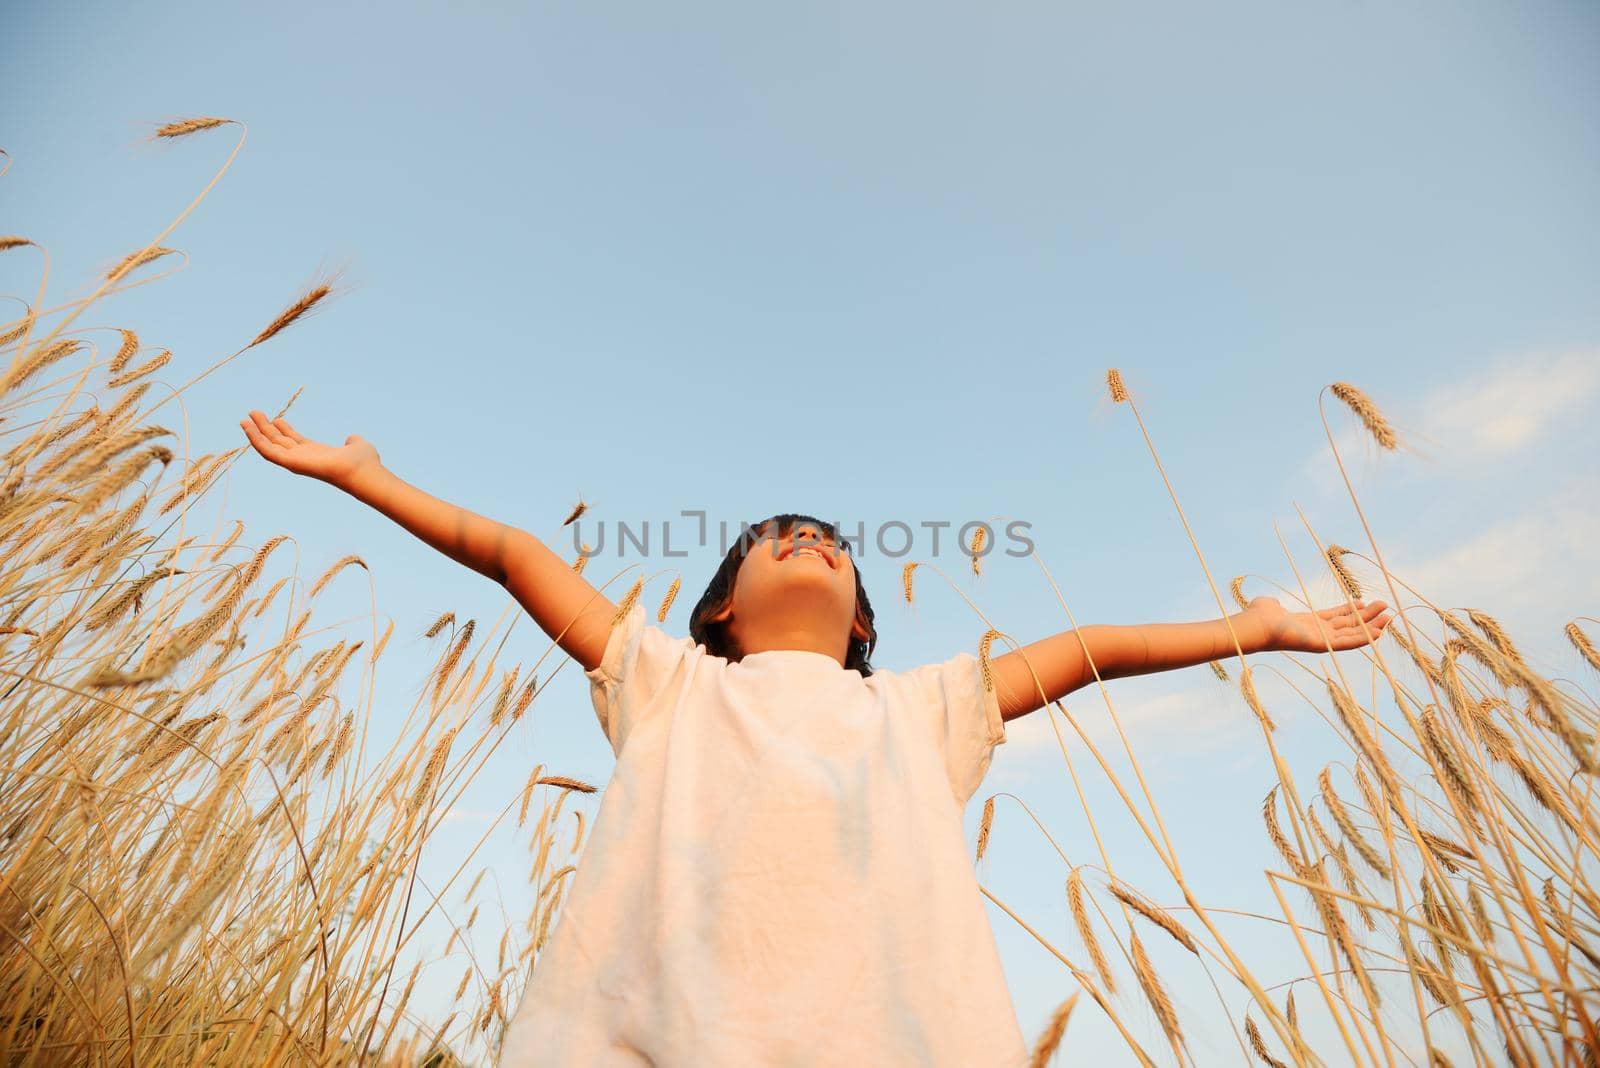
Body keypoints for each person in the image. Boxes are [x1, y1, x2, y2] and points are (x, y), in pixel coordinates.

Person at [238, 410, 1394, 1066]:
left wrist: (1254, 627)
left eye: (830, 542)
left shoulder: (922, 710)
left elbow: (1095, 647)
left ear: (863, 627)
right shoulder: (667, 684)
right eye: (775, 537)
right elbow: (513, 555)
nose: (808, 541)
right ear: (720, 610)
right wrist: (368, 478)